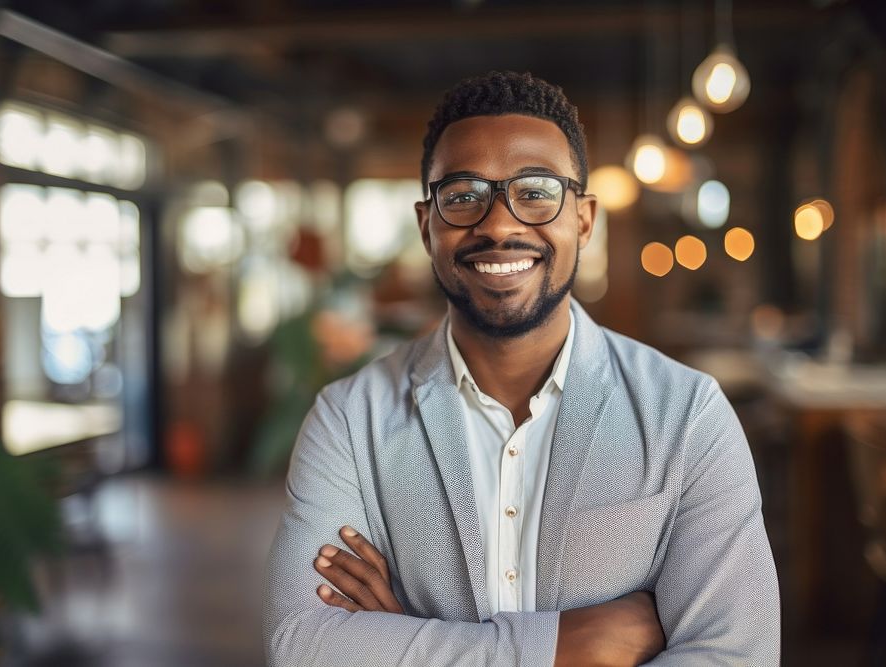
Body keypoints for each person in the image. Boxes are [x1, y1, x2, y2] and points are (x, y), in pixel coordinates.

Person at [264, 71, 780, 666]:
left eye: (536, 192)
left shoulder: (687, 414)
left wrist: (406, 642)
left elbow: (737, 656)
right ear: (426, 223)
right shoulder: (350, 419)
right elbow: (303, 646)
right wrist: (569, 647)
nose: (500, 225)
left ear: (583, 219)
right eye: (462, 196)